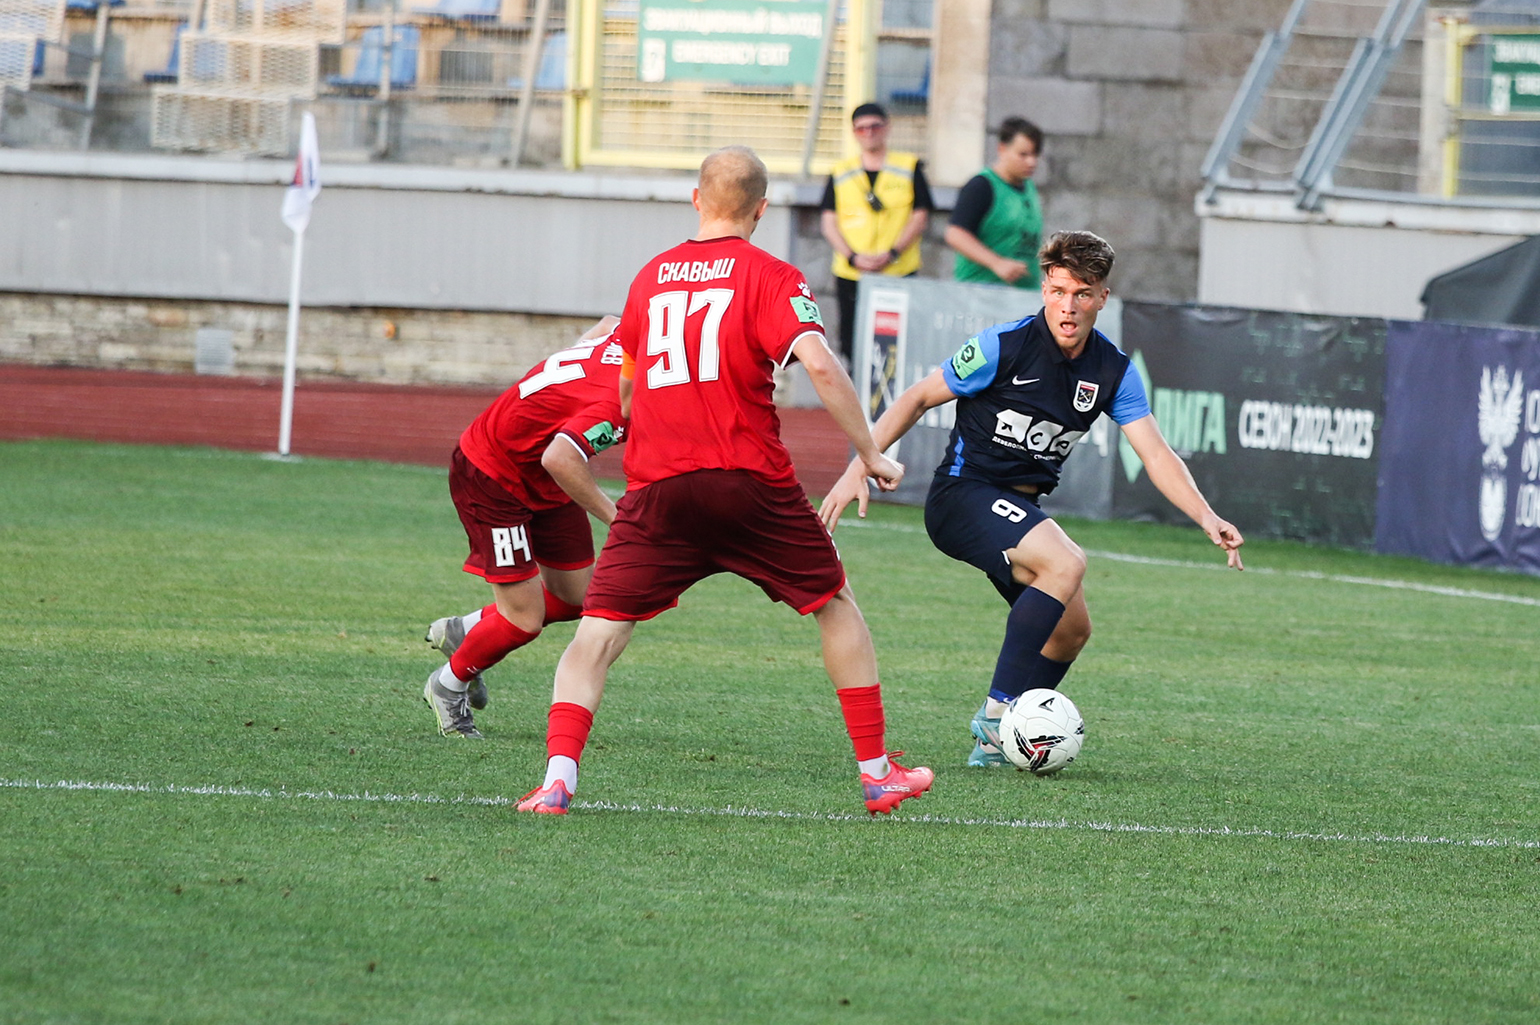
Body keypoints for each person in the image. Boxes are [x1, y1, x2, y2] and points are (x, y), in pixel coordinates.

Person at [515, 145, 934, 816]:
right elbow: (821, 367)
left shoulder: (650, 277)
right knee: (835, 605)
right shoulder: (772, 275)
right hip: (749, 482)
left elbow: (625, 381)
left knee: (596, 634)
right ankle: (878, 772)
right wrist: (869, 451)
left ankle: (558, 778)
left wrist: (631, 419)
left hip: (658, 488)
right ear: (762, 210)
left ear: (696, 199)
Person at [820, 231, 1244, 766]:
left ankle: (993, 748)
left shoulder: (1112, 372)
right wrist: (859, 464)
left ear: (1102, 298)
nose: (1069, 306)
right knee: (1067, 562)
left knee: (1071, 632)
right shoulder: (1006, 345)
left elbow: (1157, 455)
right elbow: (919, 396)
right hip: (963, 495)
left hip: (1019, 510)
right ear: (1045, 287)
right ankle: (997, 717)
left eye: (1083, 293)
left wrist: (1206, 515)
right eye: (1060, 290)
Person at [421, 316, 627, 739]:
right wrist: (619, 519)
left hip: (544, 472)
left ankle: (466, 629)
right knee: (525, 619)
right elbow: (560, 458)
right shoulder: (623, 405)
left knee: (577, 599)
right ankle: (447, 684)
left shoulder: (635, 335)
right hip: (495, 476)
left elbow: (608, 323)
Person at [820, 102, 933, 368]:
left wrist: (893, 253)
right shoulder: (840, 172)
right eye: (861, 128)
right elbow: (828, 221)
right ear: (853, 133)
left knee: (897, 344)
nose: (868, 133)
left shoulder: (909, 166)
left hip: (897, 270)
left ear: (887, 127)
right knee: (852, 341)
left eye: (875, 126)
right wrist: (851, 256)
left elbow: (920, 215)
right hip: (852, 272)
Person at [946, 117, 1044, 290]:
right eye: (1023, 155)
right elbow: (955, 234)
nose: (1032, 162)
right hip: (983, 293)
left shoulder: (1028, 187)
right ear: (1002, 149)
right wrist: (997, 263)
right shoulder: (982, 186)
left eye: (1035, 155)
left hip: (1023, 294)